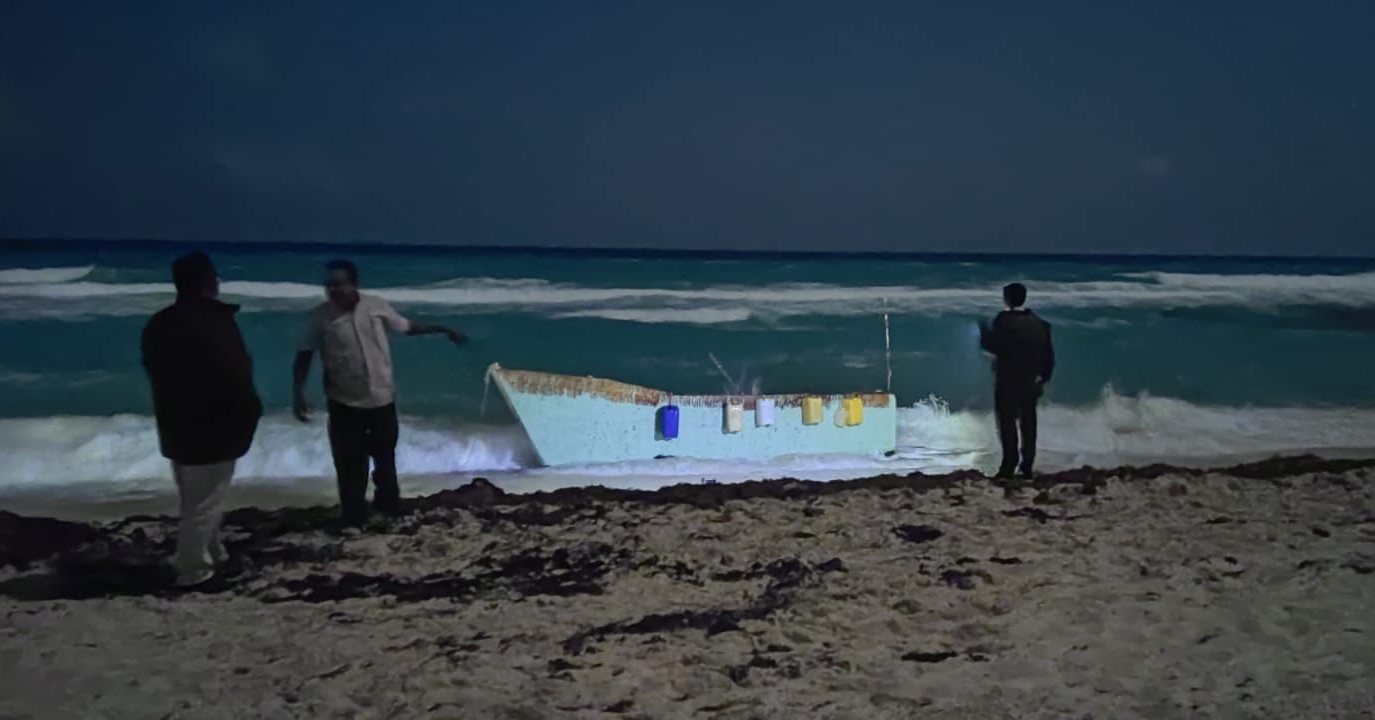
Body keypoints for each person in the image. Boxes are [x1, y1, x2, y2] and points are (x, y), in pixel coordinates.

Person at [292, 259, 465, 527]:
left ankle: (388, 507)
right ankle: (353, 515)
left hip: (382, 400)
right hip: (344, 402)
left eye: (339, 284)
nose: (333, 290)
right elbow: (304, 353)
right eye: (329, 285)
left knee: (385, 459)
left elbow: (407, 327)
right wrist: (298, 392)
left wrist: (442, 329)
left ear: (354, 284)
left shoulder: (376, 306)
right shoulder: (321, 317)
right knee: (350, 465)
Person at [142, 252, 263, 587]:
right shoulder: (215, 324)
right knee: (206, 501)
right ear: (210, 282)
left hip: (176, 424)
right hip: (215, 427)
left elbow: (154, 371)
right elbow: (234, 374)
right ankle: (193, 568)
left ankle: (214, 552)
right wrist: (250, 411)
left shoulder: (160, 324)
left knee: (195, 497)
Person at [979, 282, 1055, 479]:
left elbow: (993, 346)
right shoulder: (1040, 324)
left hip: (1008, 380)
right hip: (1031, 381)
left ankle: (1009, 463)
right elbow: (1049, 358)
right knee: (1028, 424)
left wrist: (983, 331)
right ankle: (1027, 464)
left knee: (1007, 423)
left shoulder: (1003, 321)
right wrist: (1043, 379)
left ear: (1007, 298)